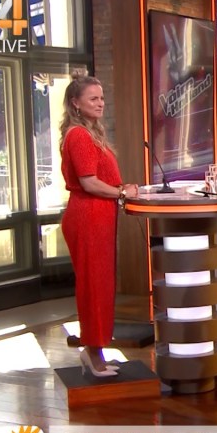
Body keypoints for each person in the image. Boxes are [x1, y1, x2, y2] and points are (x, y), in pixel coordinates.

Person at [59, 70, 139, 376]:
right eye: (93, 98)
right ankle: (93, 354)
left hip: (99, 216)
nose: (101, 103)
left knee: (102, 285)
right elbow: (89, 182)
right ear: (75, 103)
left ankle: (97, 351)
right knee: (94, 286)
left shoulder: (90, 133)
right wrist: (122, 192)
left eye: (102, 98)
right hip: (87, 216)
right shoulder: (78, 135)